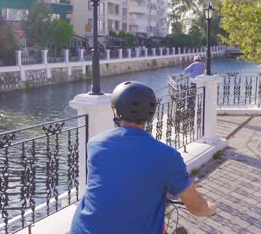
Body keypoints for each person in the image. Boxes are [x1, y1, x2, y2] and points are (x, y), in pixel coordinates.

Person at [70, 81, 217, 234]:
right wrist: (211, 209)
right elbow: (197, 208)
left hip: (82, 229)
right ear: (151, 114)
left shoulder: (95, 144)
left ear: (115, 111)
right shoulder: (167, 156)